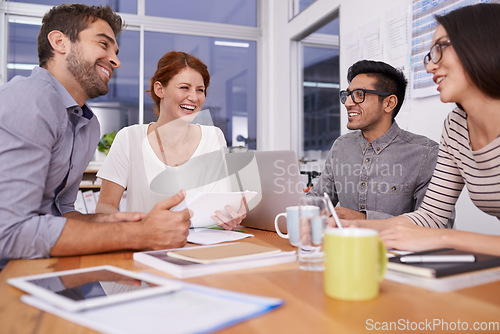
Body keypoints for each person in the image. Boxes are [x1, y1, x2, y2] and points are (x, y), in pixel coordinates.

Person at [0, 4, 191, 269]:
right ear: (59, 42)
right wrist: (138, 234)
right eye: (103, 44)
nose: (116, 60)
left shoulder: (86, 124)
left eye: (116, 51)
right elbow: (7, 232)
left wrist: (123, 222)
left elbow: (61, 212)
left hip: (38, 267)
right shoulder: (30, 98)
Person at [344, 3, 500, 256]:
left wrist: (445, 238)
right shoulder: (456, 126)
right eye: (429, 56)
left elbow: (438, 230)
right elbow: (432, 216)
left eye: (440, 48)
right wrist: (356, 227)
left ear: (484, 43)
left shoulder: (424, 149)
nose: (429, 67)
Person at [96, 51, 246, 230]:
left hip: (200, 248)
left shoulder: (213, 137)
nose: (194, 97)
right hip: (145, 246)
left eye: (200, 90)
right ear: (160, 89)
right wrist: (144, 223)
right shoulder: (129, 138)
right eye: (184, 87)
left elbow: (220, 206)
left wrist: (229, 215)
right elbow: (104, 208)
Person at [308, 60, 439, 220]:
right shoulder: (341, 146)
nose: (348, 103)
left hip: (392, 246)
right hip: (344, 245)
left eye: (359, 95)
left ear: (389, 103)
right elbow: (318, 199)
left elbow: (435, 224)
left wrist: (364, 219)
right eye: (348, 95)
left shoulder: (425, 154)